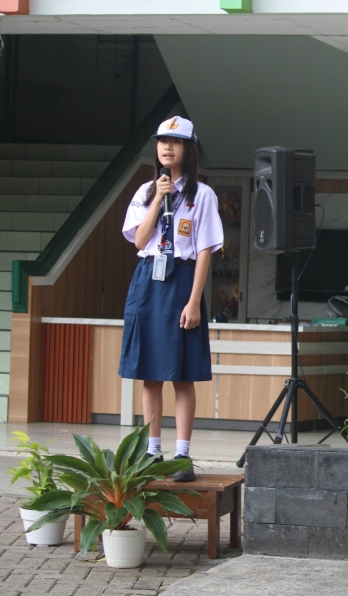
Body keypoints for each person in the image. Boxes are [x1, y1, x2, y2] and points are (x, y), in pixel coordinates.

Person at [118, 116, 224, 482]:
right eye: (162, 141)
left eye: (175, 142)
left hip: (181, 280)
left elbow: (206, 251)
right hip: (148, 278)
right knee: (149, 374)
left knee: (181, 375)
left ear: (188, 149)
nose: (166, 147)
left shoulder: (202, 195)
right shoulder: (146, 191)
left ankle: (182, 455)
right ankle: (152, 453)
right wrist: (159, 198)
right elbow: (139, 241)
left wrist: (194, 301)